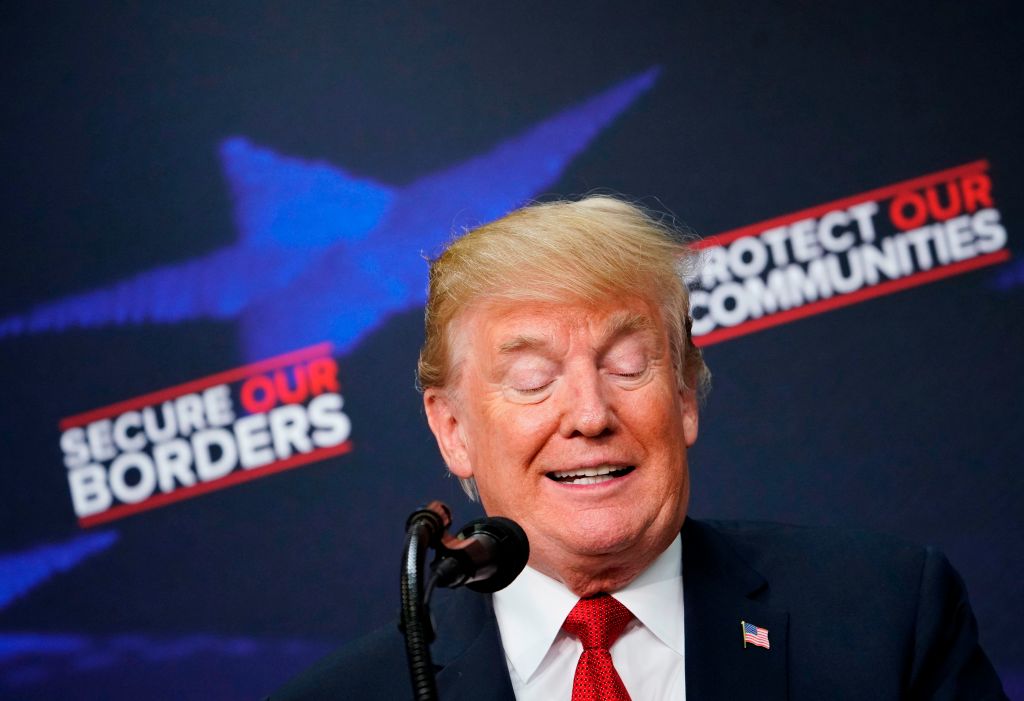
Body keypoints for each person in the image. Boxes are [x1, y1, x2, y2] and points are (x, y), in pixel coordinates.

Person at [269, 195, 1007, 700]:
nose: (589, 414)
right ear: (453, 430)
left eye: (628, 367)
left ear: (685, 396)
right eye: (532, 379)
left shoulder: (884, 617)